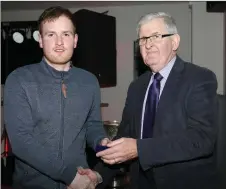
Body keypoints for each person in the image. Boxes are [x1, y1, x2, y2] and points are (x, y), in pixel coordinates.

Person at [79, 12, 219, 189]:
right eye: (143, 39)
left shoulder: (199, 78)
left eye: (156, 36)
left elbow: (202, 139)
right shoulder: (137, 86)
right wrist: (98, 174)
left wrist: (139, 148)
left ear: (174, 41)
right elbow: (125, 138)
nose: (148, 44)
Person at [4, 6, 110, 189]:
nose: (59, 42)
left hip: (81, 181)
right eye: (51, 35)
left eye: (66, 34)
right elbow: (21, 142)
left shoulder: (89, 81)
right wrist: (70, 176)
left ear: (75, 40)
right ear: (41, 40)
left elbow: (92, 126)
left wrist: (102, 142)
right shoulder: (18, 79)